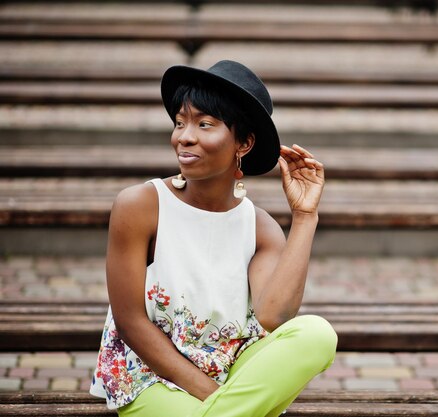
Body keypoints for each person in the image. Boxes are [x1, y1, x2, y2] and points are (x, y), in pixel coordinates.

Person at [90, 60, 338, 416]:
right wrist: (220, 398)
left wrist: (304, 216)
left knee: (317, 334)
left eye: (204, 124)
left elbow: (272, 315)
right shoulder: (140, 206)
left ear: (244, 142)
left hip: (232, 370)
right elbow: (131, 322)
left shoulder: (260, 227)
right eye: (180, 122)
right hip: (150, 376)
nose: (184, 136)